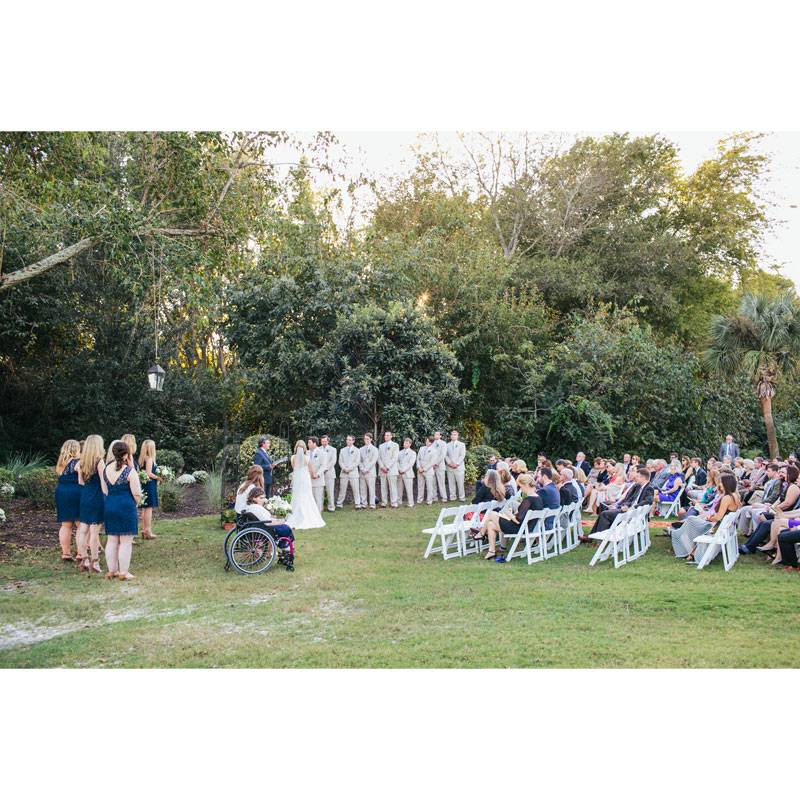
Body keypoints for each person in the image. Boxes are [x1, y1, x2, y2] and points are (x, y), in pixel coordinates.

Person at [671, 472, 740, 562]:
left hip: (717, 527)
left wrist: (708, 518)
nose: (719, 484)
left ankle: (684, 543)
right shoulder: (735, 496)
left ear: (726, 484)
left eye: (721, 483)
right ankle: (689, 547)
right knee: (692, 520)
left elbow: (718, 517)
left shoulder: (727, 498)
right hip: (724, 527)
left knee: (691, 520)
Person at [102, 441, 142, 581]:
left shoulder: (105, 469)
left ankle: (112, 571)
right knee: (126, 541)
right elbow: (137, 494)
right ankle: (124, 572)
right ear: (126, 454)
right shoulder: (129, 471)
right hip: (126, 506)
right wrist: (135, 504)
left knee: (112, 540)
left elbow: (104, 490)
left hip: (110, 505)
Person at [478, 473, 541, 560]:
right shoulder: (538, 498)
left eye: (521, 487)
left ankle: (481, 533)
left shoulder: (528, 500)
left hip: (518, 528)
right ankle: (491, 552)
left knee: (492, 513)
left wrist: (508, 514)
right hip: (526, 527)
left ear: (525, 485)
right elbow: (522, 516)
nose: (521, 489)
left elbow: (518, 520)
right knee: (490, 525)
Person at [586, 467, 654, 536]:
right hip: (630, 511)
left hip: (633, 514)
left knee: (605, 514)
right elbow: (631, 499)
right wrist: (625, 506)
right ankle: (594, 535)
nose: (636, 478)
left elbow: (648, 501)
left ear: (643, 478)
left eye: (638, 476)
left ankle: (597, 537)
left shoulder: (649, 488)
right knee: (605, 511)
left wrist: (632, 508)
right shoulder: (639, 486)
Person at [76, 435, 105, 574]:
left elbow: (80, 482)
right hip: (96, 496)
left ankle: (84, 560)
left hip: (85, 496)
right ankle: (95, 561)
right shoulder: (99, 462)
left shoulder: (82, 462)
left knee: (83, 530)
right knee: (94, 532)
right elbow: (104, 484)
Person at [285, 440, 326, 530]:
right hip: (305, 479)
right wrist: (313, 474)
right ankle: (308, 516)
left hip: (297, 479)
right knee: (307, 496)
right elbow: (311, 470)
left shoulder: (292, 458)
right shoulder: (307, 458)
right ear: (304, 448)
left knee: (296, 496)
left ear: (296, 447)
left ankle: (295, 515)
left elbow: (294, 468)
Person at [54, 439, 82, 562]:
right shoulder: (77, 462)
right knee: (80, 524)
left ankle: (65, 553)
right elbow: (82, 481)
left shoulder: (61, 463)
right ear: (75, 449)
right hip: (75, 492)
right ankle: (81, 553)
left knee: (65, 525)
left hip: (61, 492)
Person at [138, 439, 162, 540]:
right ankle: (148, 530)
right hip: (149, 485)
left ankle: (144, 530)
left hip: (144, 484)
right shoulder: (149, 459)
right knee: (149, 509)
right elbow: (149, 473)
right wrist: (159, 477)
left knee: (145, 508)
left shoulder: (142, 459)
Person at [336, 435, 362, 509]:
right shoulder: (342, 450)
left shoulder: (357, 450)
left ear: (353, 441)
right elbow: (340, 461)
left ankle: (358, 504)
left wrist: (350, 469)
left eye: (350, 440)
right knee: (342, 489)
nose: (348, 441)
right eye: (347, 440)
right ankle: (339, 504)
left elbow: (357, 461)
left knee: (356, 489)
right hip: (344, 473)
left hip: (353, 472)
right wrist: (344, 468)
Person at [378, 431, 400, 508]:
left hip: (391, 469)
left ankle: (394, 503)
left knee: (393, 487)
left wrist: (387, 467)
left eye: (388, 435)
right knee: (383, 487)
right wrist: (382, 467)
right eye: (385, 435)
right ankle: (384, 502)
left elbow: (395, 457)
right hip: (382, 470)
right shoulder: (381, 446)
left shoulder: (395, 445)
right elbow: (379, 458)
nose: (386, 436)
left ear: (391, 436)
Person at [358, 433, 379, 510]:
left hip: (370, 472)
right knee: (362, 488)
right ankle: (364, 504)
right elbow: (359, 461)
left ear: (371, 439)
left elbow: (374, 461)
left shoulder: (375, 449)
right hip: (362, 472)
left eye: (367, 439)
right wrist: (362, 469)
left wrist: (367, 469)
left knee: (371, 489)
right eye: (365, 439)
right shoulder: (360, 449)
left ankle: (372, 504)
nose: (366, 440)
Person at [445, 429, 466, 502]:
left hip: (459, 467)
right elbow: (445, 455)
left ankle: (462, 497)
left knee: (460, 483)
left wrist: (456, 464)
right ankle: (452, 497)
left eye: (455, 434)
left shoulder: (462, 444)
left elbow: (462, 455)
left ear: (457, 436)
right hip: (450, 467)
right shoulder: (447, 445)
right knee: (451, 483)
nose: (453, 436)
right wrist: (449, 463)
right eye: (452, 434)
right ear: (450, 436)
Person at [319, 435, 337, 512]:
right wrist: (321, 470)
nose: (324, 443)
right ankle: (320, 507)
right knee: (320, 492)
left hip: (329, 473)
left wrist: (325, 469)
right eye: (322, 441)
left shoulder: (333, 449)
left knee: (330, 491)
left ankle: (331, 507)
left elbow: (333, 461)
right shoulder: (318, 449)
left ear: (328, 441)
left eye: (325, 441)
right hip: (320, 473)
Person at [307, 437, 326, 512]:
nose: (308, 444)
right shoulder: (307, 453)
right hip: (308, 480)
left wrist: (317, 474)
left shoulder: (322, 453)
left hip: (318, 480)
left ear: (314, 443)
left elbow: (323, 465)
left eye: (309, 442)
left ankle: (318, 516)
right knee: (310, 499)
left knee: (318, 499)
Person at [397, 438, 416, 508]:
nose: (404, 444)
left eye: (406, 443)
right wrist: (399, 469)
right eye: (404, 443)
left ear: (410, 444)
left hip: (408, 473)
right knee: (399, 488)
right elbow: (397, 461)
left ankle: (411, 503)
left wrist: (403, 470)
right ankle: (399, 501)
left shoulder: (413, 453)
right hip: (399, 473)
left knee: (409, 489)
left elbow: (411, 463)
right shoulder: (400, 452)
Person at [416, 437, 434, 505]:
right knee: (420, 486)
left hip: (428, 471)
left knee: (429, 486)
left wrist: (424, 469)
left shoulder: (434, 450)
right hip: (420, 470)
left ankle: (429, 501)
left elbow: (432, 462)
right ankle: (419, 500)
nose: (426, 442)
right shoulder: (421, 448)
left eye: (427, 441)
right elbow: (418, 458)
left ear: (431, 442)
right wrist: (419, 467)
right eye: (426, 441)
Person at [430, 431, 447, 502]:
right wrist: (431, 464)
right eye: (435, 434)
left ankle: (444, 497)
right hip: (431, 466)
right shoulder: (431, 443)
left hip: (440, 465)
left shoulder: (443, 443)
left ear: (440, 436)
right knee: (433, 482)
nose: (436, 435)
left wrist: (436, 463)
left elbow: (443, 454)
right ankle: (434, 497)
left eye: (437, 434)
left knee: (441, 482)